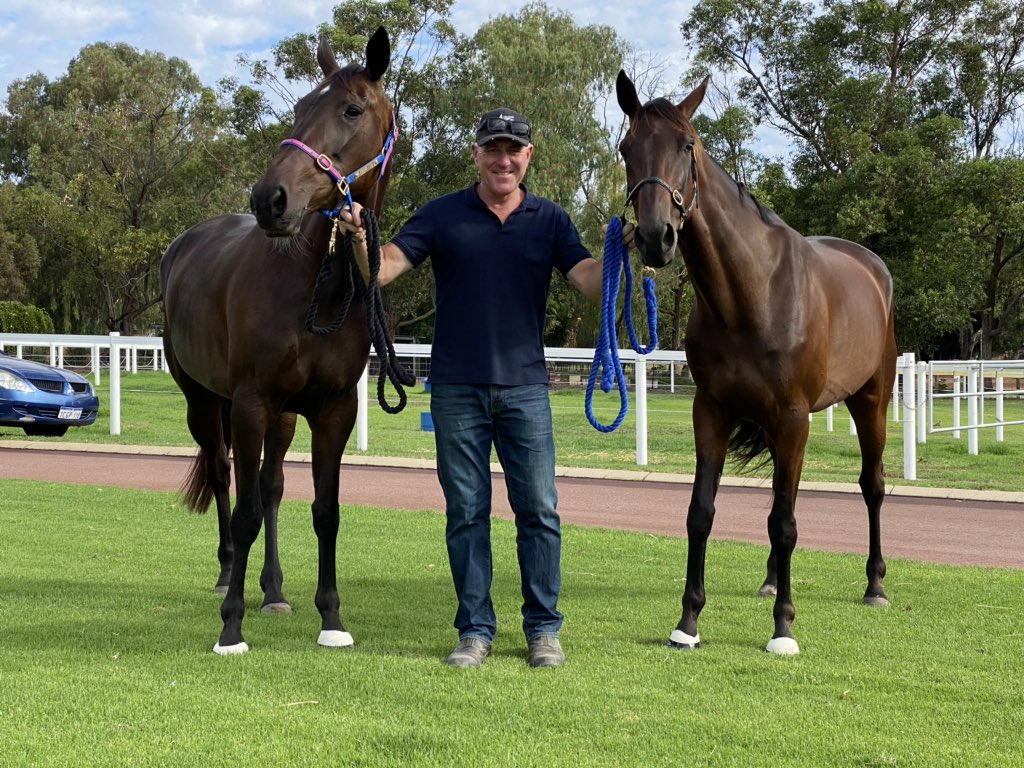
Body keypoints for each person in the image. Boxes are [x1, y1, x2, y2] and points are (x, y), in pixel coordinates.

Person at [340, 107, 619, 669]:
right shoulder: (442, 214)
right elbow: (384, 268)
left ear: (528, 156)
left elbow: (589, 281)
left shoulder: (550, 219)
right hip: (456, 389)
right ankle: (474, 631)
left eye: (514, 149)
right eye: (493, 148)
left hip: (525, 389)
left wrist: (623, 249)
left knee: (539, 511)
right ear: (476, 154)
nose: (503, 159)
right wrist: (359, 235)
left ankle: (544, 630)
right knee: (466, 513)